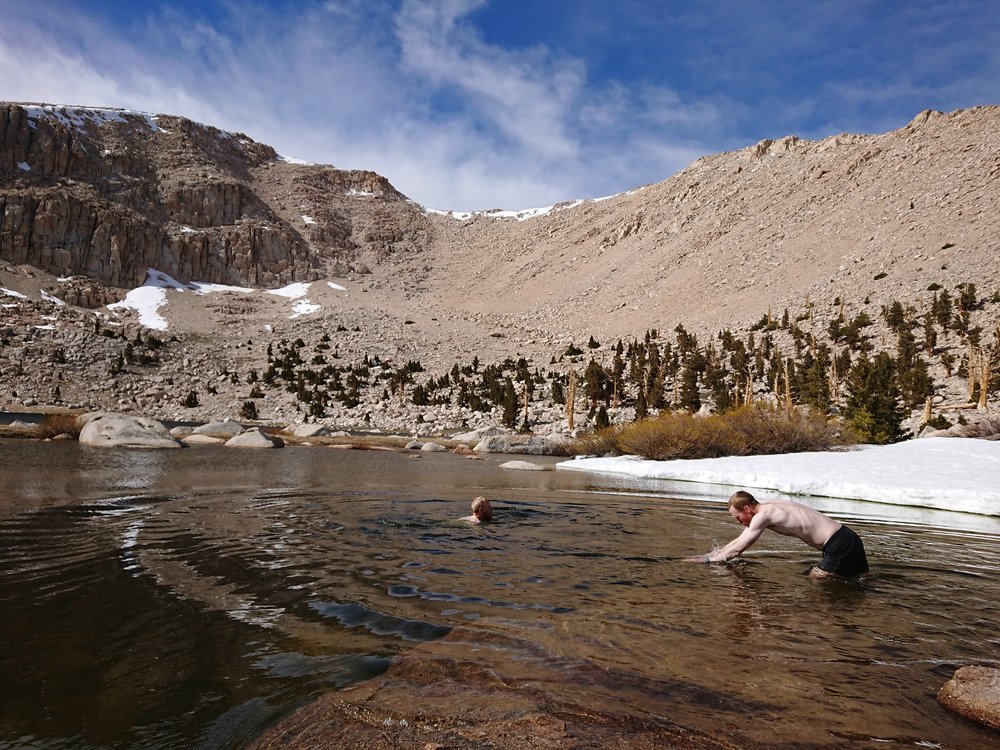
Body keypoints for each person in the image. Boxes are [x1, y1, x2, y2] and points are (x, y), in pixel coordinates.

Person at [687, 490, 868, 579]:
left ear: (747, 509)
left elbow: (738, 550)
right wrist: (710, 555)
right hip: (848, 537)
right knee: (858, 580)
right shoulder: (769, 507)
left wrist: (708, 562)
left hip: (839, 544)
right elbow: (739, 540)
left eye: (738, 516)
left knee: (815, 579)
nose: (737, 521)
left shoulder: (764, 515)